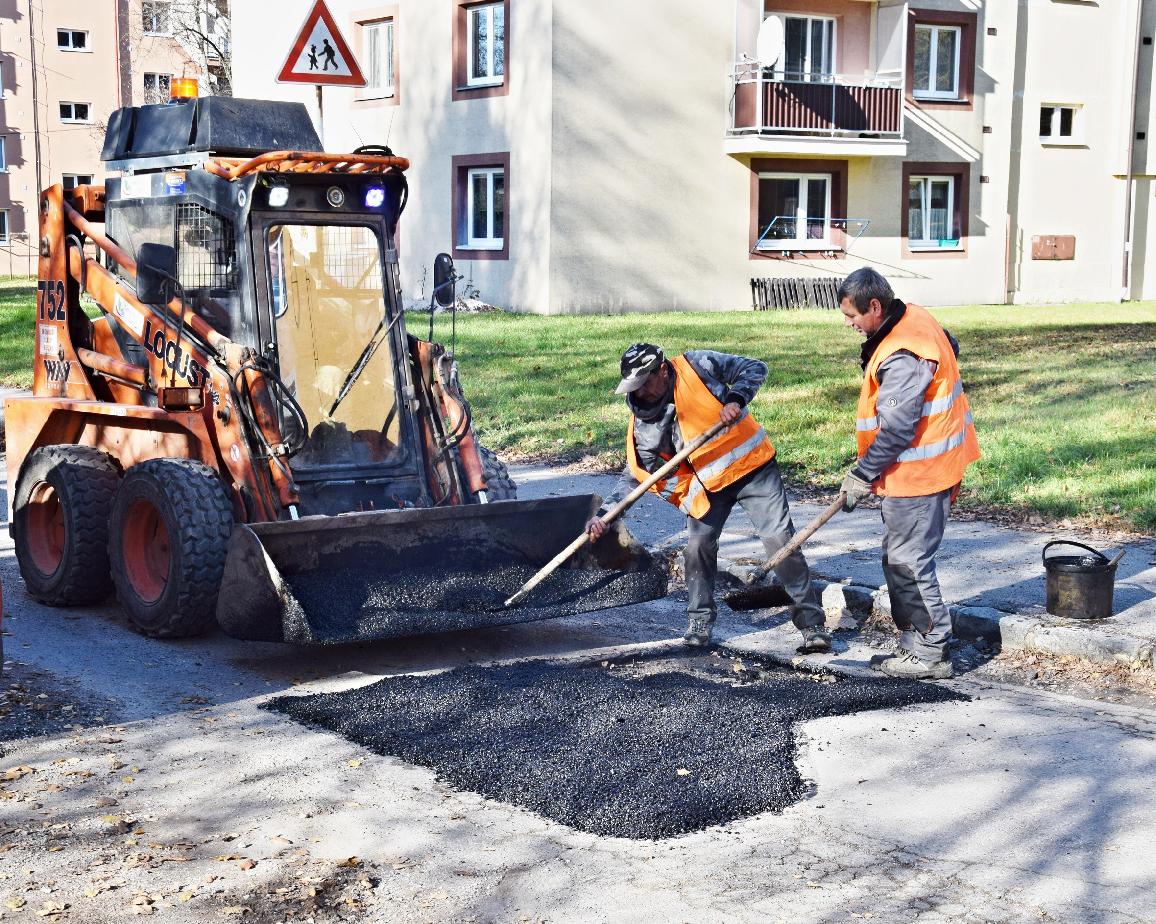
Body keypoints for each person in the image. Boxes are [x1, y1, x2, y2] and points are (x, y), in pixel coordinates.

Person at [586, 343, 829, 651]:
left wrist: (735, 399)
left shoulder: (697, 366)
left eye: (644, 382)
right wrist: (605, 515)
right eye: (634, 386)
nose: (640, 392)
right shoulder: (642, 426)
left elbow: (754, 367)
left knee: (780, 541)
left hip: (753, 468)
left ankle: (812, 626)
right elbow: (636, 476)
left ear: (662, 371)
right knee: (697, 547)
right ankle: (700, 621)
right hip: (708, 487)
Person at [837, 268, 981, 680]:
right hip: (920, 471)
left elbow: (898, 428)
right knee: (899, 562)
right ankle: (913, 645)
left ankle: (931, 654)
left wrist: (862, 474)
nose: (849, 325)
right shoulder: (913, 318)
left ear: (875, 306)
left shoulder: (902, 354)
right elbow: (948, 345)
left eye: (852, 316)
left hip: (921, 476)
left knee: (909, 564)